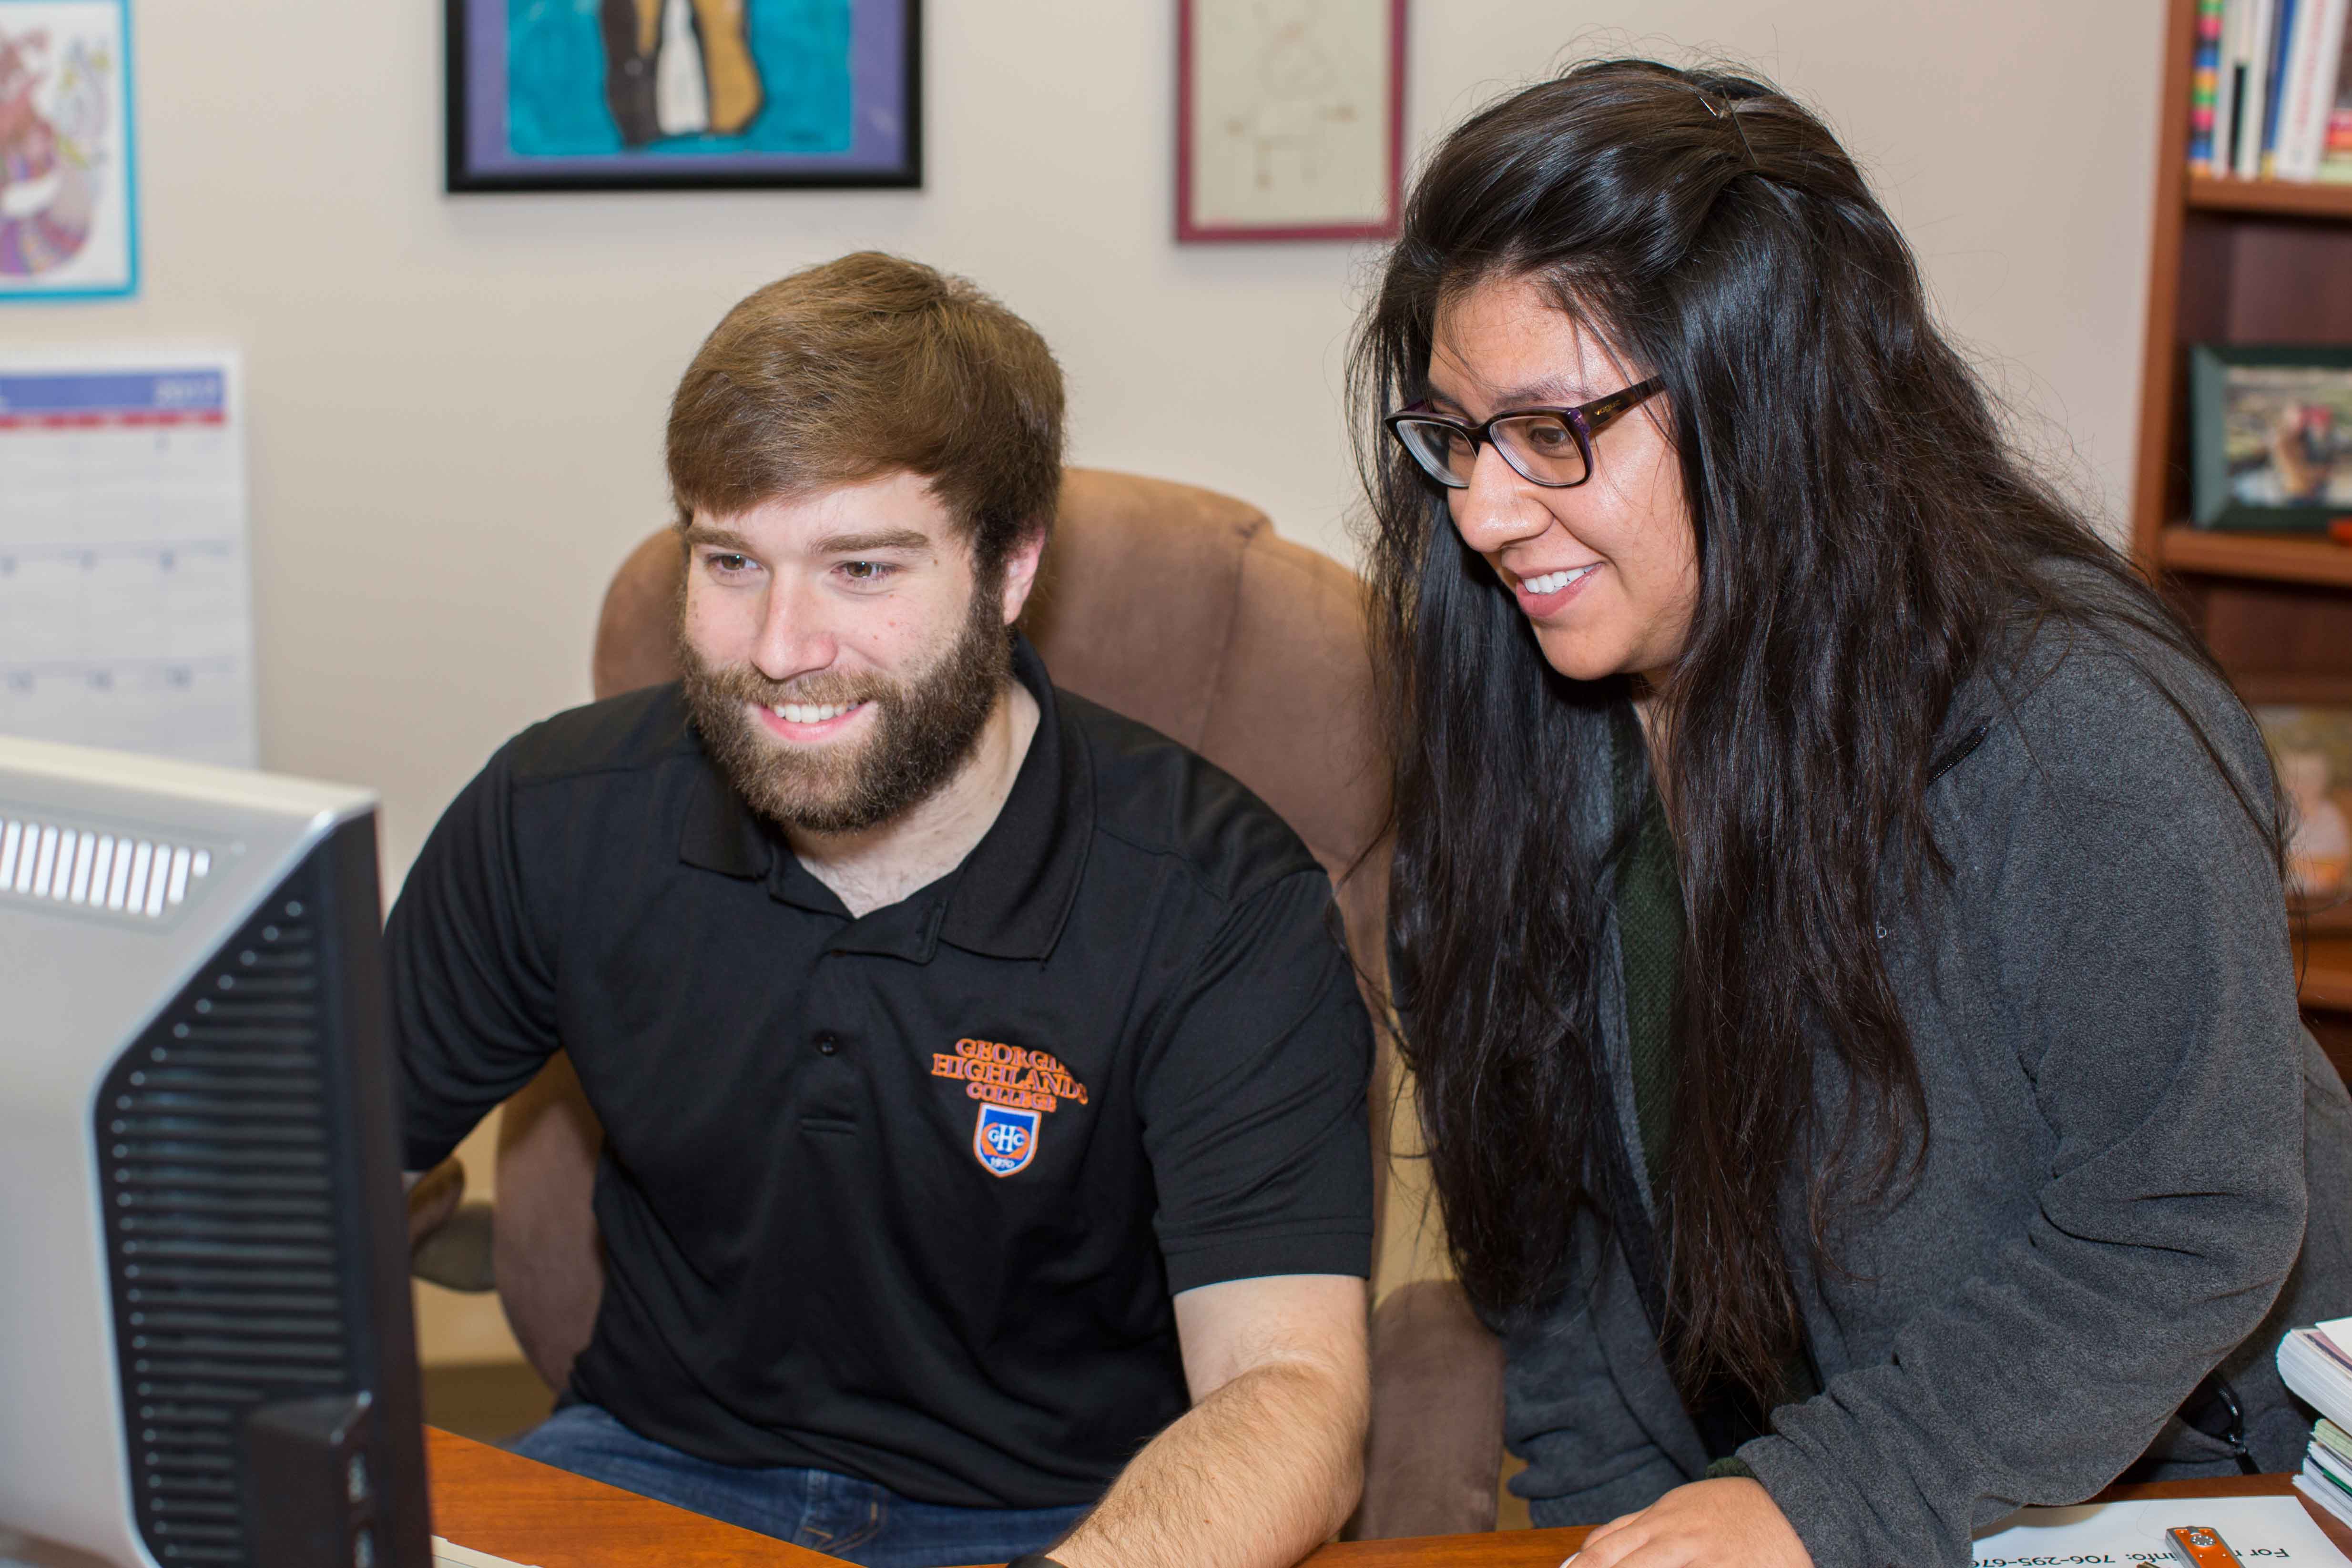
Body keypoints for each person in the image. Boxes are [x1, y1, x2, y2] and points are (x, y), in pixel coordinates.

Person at [1349, 60, 2352, 1568]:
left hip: (2179, 1487)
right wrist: (1617, 1530)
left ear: (1774, 403)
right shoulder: (1522, 718)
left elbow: (2189, 1216)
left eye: (1554, 430)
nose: (1483, 514)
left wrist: (1823, 1498)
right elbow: (1559, 1276)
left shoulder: (2071, 726)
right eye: (1455, 436)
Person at [392, 253, 1374, 1568]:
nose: (783, 645)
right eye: (731, 559)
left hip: (1076, 1514)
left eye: (861, 569)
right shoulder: (555, 814)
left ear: (1011, 566)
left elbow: (1292, 1394)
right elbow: (302, 1173)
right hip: (651, 1471)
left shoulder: (1219, 905)